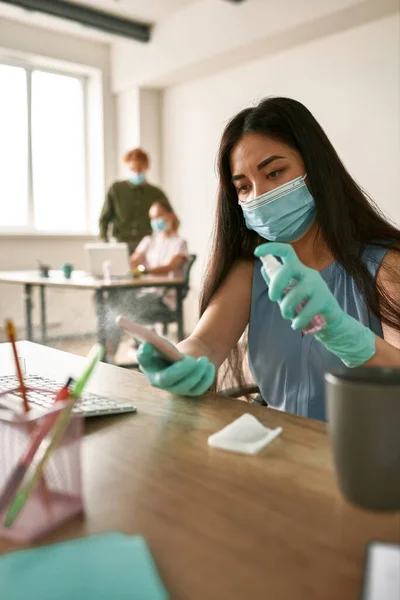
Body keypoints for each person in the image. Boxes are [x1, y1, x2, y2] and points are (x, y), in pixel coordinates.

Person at [136, 97, 400, 421]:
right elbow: (206, 343)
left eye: (274, 172)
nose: (259, 196)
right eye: (244, 186)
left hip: (367, 459)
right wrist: (180, 360)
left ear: (315, 168)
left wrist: (348, 336)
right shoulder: (251, 273)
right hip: (280, 452)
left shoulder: (385, 265)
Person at [104, 199, 188, 357]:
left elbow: (169, 267)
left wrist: (143, 271)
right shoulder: (149, 241)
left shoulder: (180, 243)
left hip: (163, 299)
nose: (155, 221)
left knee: (120, 306)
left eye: (158, 216)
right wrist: (118, 262)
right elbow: (133, 260)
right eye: (152, 218)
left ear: (170, 216)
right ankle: (108, 351)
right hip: (144, 294)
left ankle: (117, 350)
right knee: (112, 299)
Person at [99, 148, 170, 254]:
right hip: (120, 243)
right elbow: (104, 218)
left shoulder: (156, 193)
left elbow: (170, 217)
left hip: (146, 244)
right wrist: (105, 241)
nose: (137, 172)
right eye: (133, 169)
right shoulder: (116, 189)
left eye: (140, 168)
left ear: (146, 166)